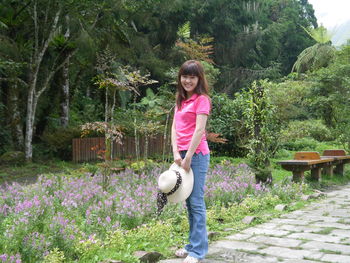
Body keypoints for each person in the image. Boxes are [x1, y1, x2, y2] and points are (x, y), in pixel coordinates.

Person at [171, 60, 211, 263]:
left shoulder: (201, 99)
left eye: (192, 77)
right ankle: (192, 245)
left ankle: (198, 251)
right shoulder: (180, 100)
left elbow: (199, 130)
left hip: (197, 155)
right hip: (182, 155)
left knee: (195, 202)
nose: (188, 80)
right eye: (185, 76)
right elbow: (174, 128)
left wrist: (187, 157)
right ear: (180, 77)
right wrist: (176, 153)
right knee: (188, 202)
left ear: (198, 79)